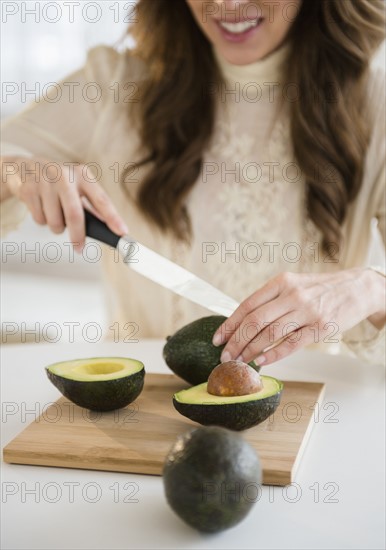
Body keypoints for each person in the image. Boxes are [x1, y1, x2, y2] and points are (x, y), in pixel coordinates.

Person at [1, 0, 385, 365]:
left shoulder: (376, 105)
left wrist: (373, 289)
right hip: (137, 415)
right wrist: (17, 171)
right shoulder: (111, 85)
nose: (227, 5)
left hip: (311, 420)